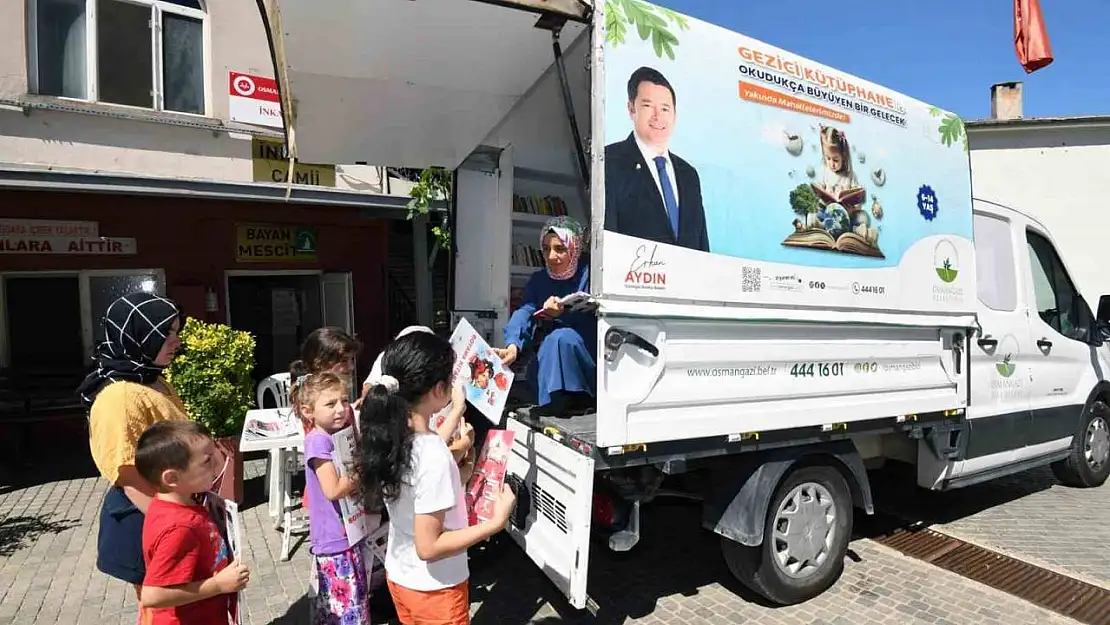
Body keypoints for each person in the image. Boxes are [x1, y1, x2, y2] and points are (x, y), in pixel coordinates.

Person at [357, 332, 516, 625]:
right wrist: (496, 522)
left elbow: (420, 471)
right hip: (436, 590)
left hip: (402, 577)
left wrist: (456, 417)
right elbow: (429, 547)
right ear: (439, 389)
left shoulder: (393, 433)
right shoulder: (433, 456)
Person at [76, 291, 191, 625]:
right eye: (165, 333)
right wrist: (178, 523)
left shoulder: (151, 379)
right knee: (167, 612)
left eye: (175, 332)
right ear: (138, 335)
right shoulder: (120, 396)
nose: (175, 341)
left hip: (169, 509)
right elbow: (128, 475)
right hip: (148, 515)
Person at [135, 420, 250, 624]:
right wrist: (218, 585)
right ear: (172, 478)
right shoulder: (180, 527)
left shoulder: (180, 502)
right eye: (207, 461)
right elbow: (152, 595)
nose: (217, 463)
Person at [494, 216, 596, 415]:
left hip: (586, 353)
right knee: (550, 345)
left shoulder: (591, 275)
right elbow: (525, 312)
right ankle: (555, 402)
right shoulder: (539, 279)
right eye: (546, 249)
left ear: (574, 248)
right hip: (550, 354)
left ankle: (578, 399)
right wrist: (513, 345)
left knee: (560, 338)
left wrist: (563, 313)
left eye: (560, 249)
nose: (551, 256)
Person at [294, 371, 373, 624]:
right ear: (308, 411)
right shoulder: (318, 440)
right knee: (346, 608)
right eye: (330, 404)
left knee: (347, 604)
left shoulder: (333, 435)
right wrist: (362, 469)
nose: (341, 409)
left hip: (345, 532)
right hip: (334, 538)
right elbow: (333, 489)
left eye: (344, 401)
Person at [604, 65, 710, 253]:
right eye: (647, 106)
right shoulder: (610, 161)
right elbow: (607, 239)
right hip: (634, 279)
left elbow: (701, 245)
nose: (657, 116)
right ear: (631, 109)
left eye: (665, 109)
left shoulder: (689, 174)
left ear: (675, 114)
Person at [363, 326, 477, 479]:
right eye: (451, 378)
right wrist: (467, 459)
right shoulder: (433, 454)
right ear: (439, 389)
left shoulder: (385, 436)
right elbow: (438, 479)